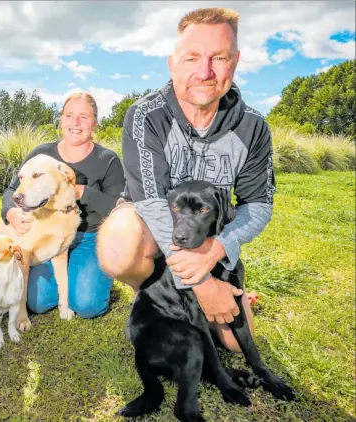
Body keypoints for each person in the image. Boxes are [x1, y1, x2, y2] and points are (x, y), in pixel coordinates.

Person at [97, 7, 275, 352]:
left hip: (209, 240)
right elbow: (150, 203)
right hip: (150, 227)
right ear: (172, 62)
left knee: (238, 345)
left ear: (235, 61)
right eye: (192, 58)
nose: (205, 72)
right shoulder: (146, 114)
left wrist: (221, 247)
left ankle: (222, 285)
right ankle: (151, 297)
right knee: (118, 245)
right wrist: (204, 284)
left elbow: (258, 205)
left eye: (219, 57)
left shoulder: (253, 127)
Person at [1, 93, 125, 319]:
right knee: (37, 303)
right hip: (47, 237)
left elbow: (119, 209)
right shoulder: (41, 154)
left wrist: (80, 192)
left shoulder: (108, 160)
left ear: (95, 123)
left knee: (88, 306)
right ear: (61, 120)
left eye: (83, 117)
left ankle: (91, 271)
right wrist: (11, 213)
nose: (75, 123)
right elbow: (11, 192)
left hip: (89, 237)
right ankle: (72, 274)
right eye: (69, 115)